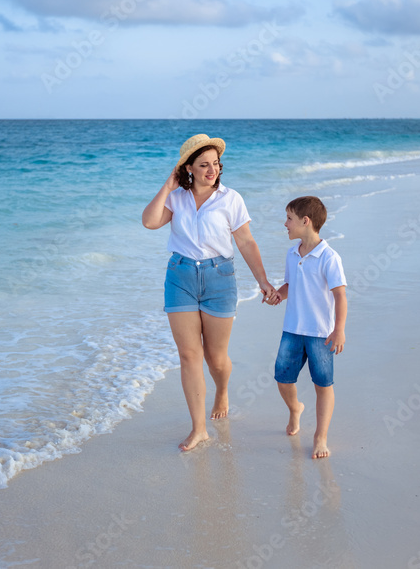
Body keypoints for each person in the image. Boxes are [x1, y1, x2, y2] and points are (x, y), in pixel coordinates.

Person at [142, 134, 275, 451]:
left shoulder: (231, 199)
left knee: (216, 359)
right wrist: (168, 185)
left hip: (219, 278)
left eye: (215, 164)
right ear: (188, 168)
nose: (211, 170)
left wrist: (264, 281)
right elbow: (149, 222)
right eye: (203, 165)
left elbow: (245, 242)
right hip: (180, 277)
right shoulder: (176, 198)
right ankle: (199, 429)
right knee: (189, 356)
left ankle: (222, 389)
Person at [265, 196, 347, 459]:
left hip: (320, 333)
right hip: (292, 329)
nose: (285, 223)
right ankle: (295, 409)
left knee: (323, 384)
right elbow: (291, 285)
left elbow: (340, 296)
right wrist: (279, 294)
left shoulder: (329, 257)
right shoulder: (292, 253)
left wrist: (339, 330)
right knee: (282, 377)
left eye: (289, 218)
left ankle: (320, 435)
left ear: (305, 221)